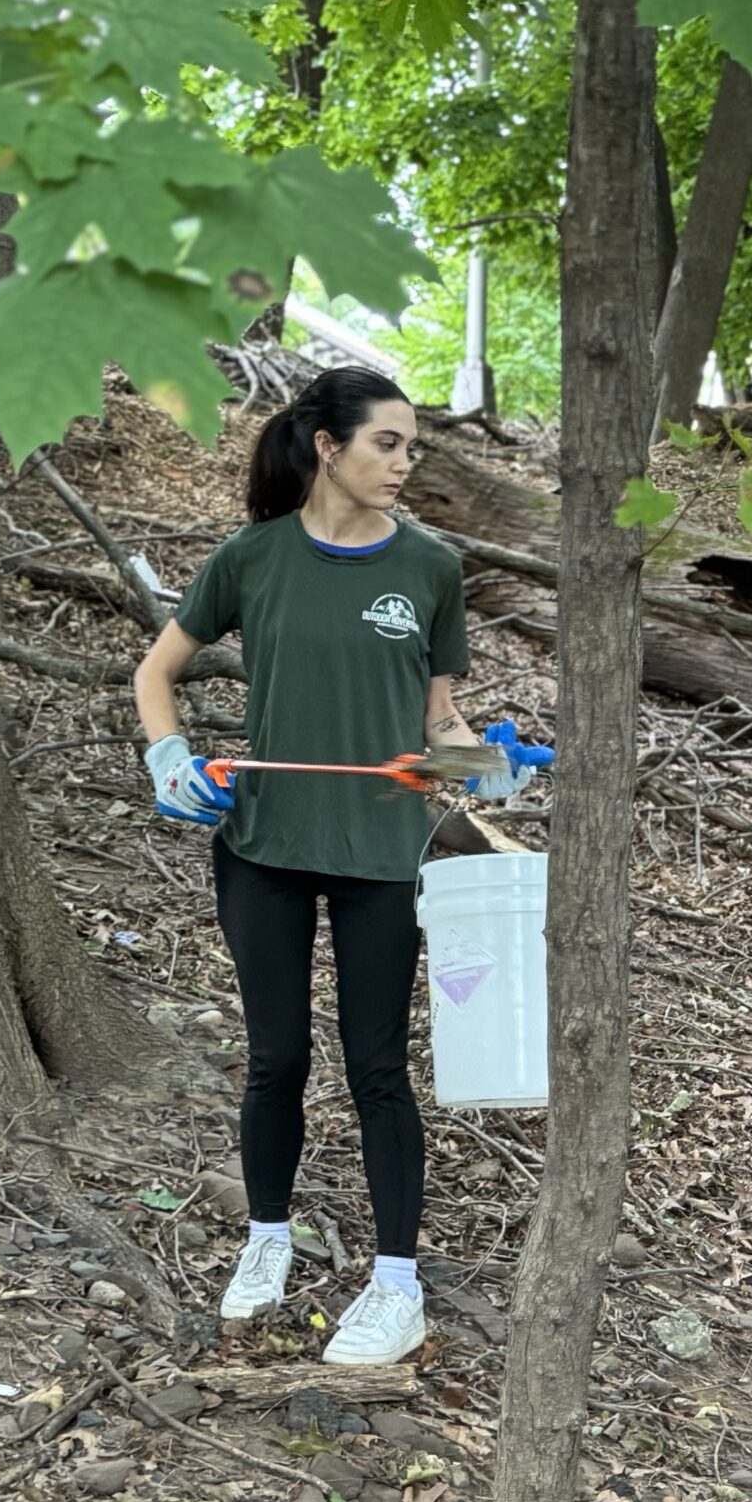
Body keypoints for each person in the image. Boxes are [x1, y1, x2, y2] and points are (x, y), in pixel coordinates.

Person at [133, 366, 538, 1365]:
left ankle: (396, 1286)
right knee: (274, 1059)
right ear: (328, 446)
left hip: (380, 856)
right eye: (387, 444)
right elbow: (156, 671)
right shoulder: (252, 558)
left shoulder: (431, 571)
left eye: (412, 448)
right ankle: (266, 1238)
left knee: (377, 1070)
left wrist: (490, 765)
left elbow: (437, 727)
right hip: (262, 848)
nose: (404, 463)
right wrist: (168, 755)